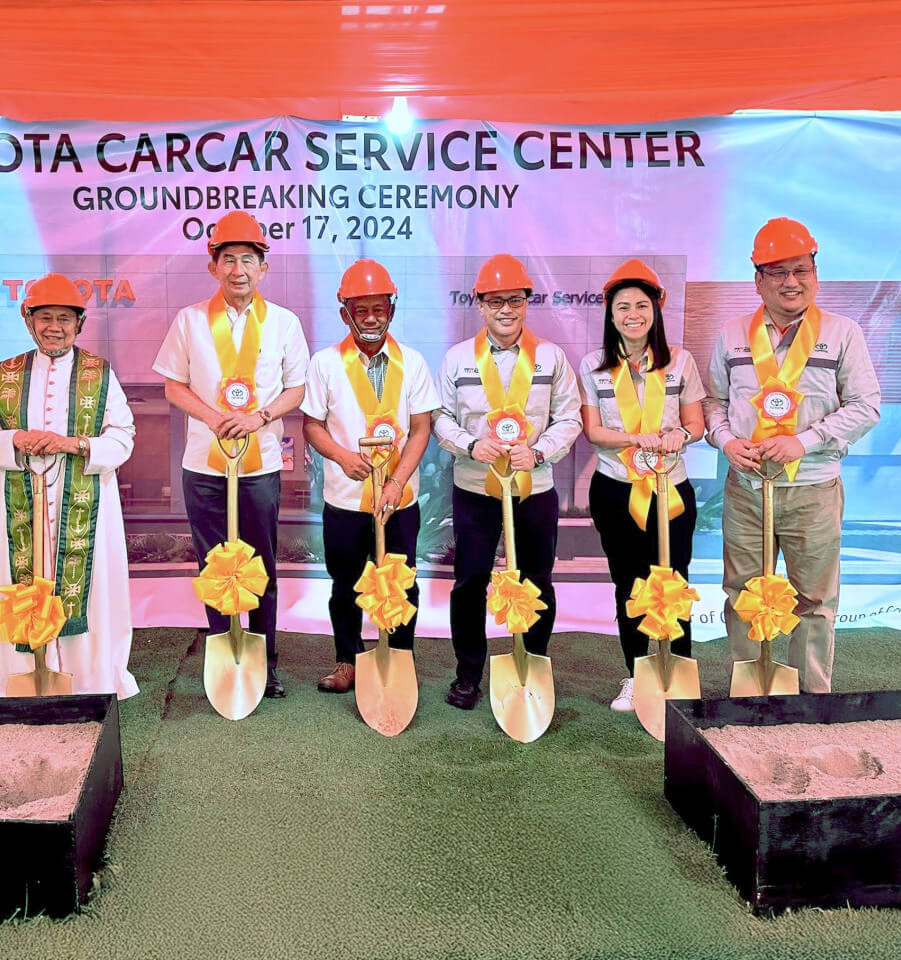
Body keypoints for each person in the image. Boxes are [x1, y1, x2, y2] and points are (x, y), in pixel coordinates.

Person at [704, 218, 879, 693]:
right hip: (745, 491)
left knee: (815, 600)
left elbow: (867, 406)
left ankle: (812, 698)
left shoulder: (843, 334)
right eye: (777, 272)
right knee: (742, 592)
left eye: (800, 270)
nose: (791, 282)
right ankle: (748, 690)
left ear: (815, 274)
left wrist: (804, 441)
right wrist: (724, 440)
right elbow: (713, 402)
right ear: (757, 279)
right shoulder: (732, 334)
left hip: (814, 491)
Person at [153, 210, 309, 698]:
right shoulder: (189, 321)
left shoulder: (284, 322)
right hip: (203, 463)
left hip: (260, 462)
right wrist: (212, 415)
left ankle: (267, 657)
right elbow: (173, 385)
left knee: (260, 561)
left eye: (248, 259)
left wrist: (258, 417)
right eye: (228, 259)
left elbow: (296, 390)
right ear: (213, 266)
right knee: (213, 562)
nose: (238, 269)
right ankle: (225, 649)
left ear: (263, 266)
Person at [0, 273, 138, 698]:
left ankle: (89, 680)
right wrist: (16, 441)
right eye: (45, 317)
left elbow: (123, 437)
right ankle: (13, 676)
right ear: (29, 321)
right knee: (17, 579)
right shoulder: (3, 374)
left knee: (86, 588)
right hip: (19, 504)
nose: (54, 326)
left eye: (64, 317)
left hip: (84, 505)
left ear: (79, 323)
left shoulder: (100, 374)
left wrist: (74, 444)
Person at [432, 254, 582, 709]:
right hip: (476, 490)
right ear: (478, 303)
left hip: (533, 489)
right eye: (495, 300)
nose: (505, 309)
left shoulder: (552, 358)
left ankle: (531, 661)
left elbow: (569, 417)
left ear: (527, 302)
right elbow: (439, 416)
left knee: (537, 579)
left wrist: (537, 452)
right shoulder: (457, 359)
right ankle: (468, 674)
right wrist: (468, 445)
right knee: (470, 581)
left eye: (514, 300)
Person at [301, 259, 439, 693]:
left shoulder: (413, 363)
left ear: (392, 310)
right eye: (362, 310)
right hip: (345, 501)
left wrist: (397, 482)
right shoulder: (325, 363)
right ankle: (347, 660)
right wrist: (342, 456)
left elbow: (421, 428)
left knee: (401, 583)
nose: (372, 319)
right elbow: (311, 425)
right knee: (345, 585)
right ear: (345, 314)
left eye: (380, 309)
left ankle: (399, 659)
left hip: (399, 501)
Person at [578, 259, 705, 712]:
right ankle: (636, 674)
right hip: (615, 489)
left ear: (656, 311)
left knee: (674, 580)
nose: (633, 314)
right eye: (623, 306)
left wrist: (680, 435)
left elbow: (697, 423)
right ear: (610, 315)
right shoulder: (593, 365)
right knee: (628, 584)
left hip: (671, 491)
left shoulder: (681, 361)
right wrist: (637, 438)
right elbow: (593, 432)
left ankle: (678, 669)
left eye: (642, 305)